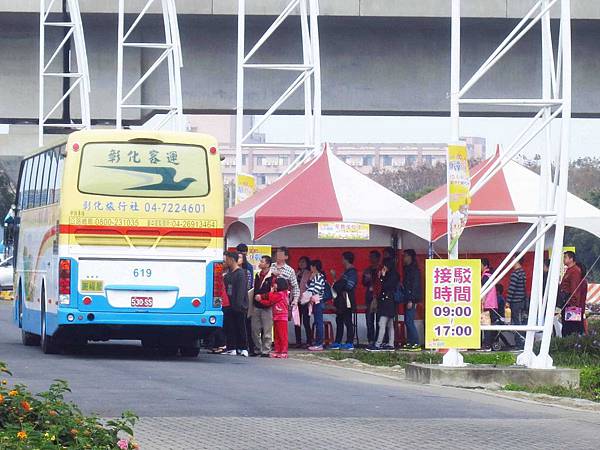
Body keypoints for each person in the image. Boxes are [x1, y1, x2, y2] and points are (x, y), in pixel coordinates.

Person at [368, 258, 399, 351]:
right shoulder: (393, 274)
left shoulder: (392, 275)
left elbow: (385, 286)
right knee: (390, 324)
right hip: (389, 302)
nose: (383, 267)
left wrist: (382, 277)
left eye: (385, 265)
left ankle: (378, 344)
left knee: (382, 323)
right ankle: (390, 343)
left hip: (387, 301)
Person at [330, 252, 358, 350]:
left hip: (347, 300)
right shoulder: (345, 272)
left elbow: (349, 286)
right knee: (339, 320)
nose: (341, 261)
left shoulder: (352, 272)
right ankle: (338, 341)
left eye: (342, 259)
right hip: (341, 301)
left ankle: (350, 342)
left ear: (346, 259)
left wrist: (340, 282)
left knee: (348, 320)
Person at [223, 251, 249, 357]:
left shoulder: (240, 273)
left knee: (241, 327)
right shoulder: (229, 274)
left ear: (232, 260)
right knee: (230, 327)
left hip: (239, 306)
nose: (226, 262)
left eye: (227, 259)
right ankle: (232, 347)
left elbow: (241, 292)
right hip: (229, 305)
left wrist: (238, 305)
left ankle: (243, 348)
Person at [258, 278, 290, 358]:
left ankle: (284, 351)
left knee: (282, 335)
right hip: (276, 316)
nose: (273, 285)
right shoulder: (278, 294)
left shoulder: (281, 294)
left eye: (275, 284)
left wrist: (270, 292)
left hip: (282, 317)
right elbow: (269, 303)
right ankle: (278, 350)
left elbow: (271, 299)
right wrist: (260, 301)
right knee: (277, 335)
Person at [251, 255, 275, 357]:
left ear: (267, 264)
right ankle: (257, 348)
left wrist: (262, 297)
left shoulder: (272, 277)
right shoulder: (258, 275)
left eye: (262, 261)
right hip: (256, 306)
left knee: (267, 330)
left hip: (267, 306)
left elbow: (273, 293)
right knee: (254, 329)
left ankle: (266, 350)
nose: (260, 263)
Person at [237, 243, 255, 354]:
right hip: (245, 299)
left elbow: (249, 285)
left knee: (244, 324)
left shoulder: (247, 269)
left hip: (243, 300)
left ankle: (245, 346)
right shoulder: (249, 267)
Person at [559, 251, 584, 336]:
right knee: (566, 326)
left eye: (565, 257)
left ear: (571, 259)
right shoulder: (569, 270)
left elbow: (575, 288)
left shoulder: (575, 271)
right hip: (566, 302)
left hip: (571, 303)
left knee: (571, 328)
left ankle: (570, 344)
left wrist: (573, 304)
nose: (563, 259)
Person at [402, 249, 422, 350]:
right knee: (407, 321)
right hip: (407, 298)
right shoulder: (407, 268)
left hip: (412, 299)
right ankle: (410, 342)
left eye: (405, 256)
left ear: (410, 257)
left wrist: (411, 300)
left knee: (409, 321)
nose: (403, 258)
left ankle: (416, 342)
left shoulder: (414, 270)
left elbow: (415, 286)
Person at [362, 250, 382, 346]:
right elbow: (363, 283)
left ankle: (379, 339)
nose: (370, 259)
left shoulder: (381, 269)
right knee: (369, 320)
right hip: (369, 297)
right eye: (370, 257)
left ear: (378, 258)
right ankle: (370, 339)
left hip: (379, 297)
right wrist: (366, 279)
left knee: (379, 320)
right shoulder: (367, 269)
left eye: (372, 257)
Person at [307, 260, 327, 351]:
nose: (310, 268)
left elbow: (316, 290)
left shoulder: (319, 276)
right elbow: (309, 286)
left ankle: (319, 343)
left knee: (319, 322)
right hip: (314, 302)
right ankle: (318, 342)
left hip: (318, 301)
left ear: (314, 267)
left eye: (311, 266)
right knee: (317, 321)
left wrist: (308, 295)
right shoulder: (315, 276)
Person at [507, 260, 527, 348]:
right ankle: (522, 341)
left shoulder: (515, 274)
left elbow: (512, 289)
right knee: (520, 322)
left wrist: (507, 301)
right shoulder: (523, 273)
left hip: (515, 302)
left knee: (516, 322)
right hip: (522, 301)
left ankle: (519, 342)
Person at [295, 256, 313, 348]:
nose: (301, 263)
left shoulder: (309, 273)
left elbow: (310, 287)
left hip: (305, 300)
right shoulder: (297, 273)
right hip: (296, 300)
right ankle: (298, 341)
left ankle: (309, 341)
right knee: (297, 322)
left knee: (306, 322)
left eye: (303, 262)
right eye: (300, 262)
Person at [481, 258, 498, 351]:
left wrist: (482, 302)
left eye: (480, 265)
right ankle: (489, 344)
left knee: (486, 325)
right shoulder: (490, 275)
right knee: (489, 325)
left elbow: (484, 291)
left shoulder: (485, 276)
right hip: (493, 304)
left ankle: (487, 346)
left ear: (485, 266)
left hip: (487, 304)